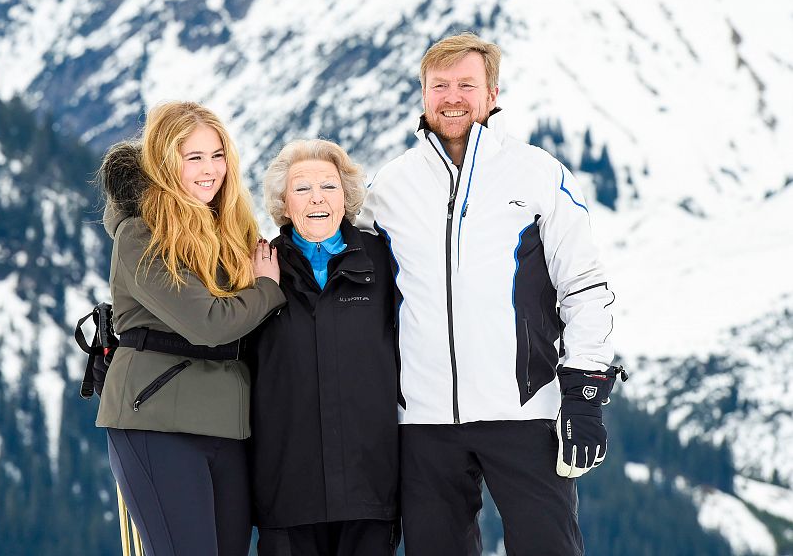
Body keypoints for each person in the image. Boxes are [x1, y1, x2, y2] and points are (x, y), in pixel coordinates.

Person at [358, 33, 624, 555]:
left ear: (492, 92)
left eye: (465, 84)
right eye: (439, 85)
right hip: (424, 421)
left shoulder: (538, 173)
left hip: (524, 411)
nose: (451, 97)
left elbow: (585, 286)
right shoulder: (390, 188)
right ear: (423, 93)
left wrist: (586, 393)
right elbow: (362, 295)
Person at [95, 101, 286, 556]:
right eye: (193, 157)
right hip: (156, 421)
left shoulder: (231, 228)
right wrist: (265, 289)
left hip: (227, 425)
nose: (210, 170)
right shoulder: (141, 233)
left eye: (217, 155)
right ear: (165, 161)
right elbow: (209, 324)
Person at [247, 139, 400, 556]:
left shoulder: (382, 261)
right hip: (287, 490)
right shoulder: (258, 266)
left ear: (346, 197)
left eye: (329, 187)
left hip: (369, 485)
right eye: (302, 188)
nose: (317, 198)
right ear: (283, 202)